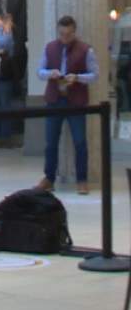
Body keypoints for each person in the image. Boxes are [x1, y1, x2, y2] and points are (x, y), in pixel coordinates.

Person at [36, 15, 97, 195]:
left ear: (74, 32)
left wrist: (77, 78)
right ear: (58, 32)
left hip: (76, 101)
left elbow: (95, 75)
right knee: (51, 142)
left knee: (80, 142)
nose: (65, 38)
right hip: (54, 100)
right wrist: (51, 74)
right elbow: (39, 72)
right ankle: (49, 178)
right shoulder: (50, 48)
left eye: (68, 34)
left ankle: (82, 179)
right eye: (62, 34)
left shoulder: (86, 49)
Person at [0, 14, 17, 146]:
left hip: (5, 80)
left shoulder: (8, 37)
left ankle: (5, 137)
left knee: (5, 107)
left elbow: (4, 47)